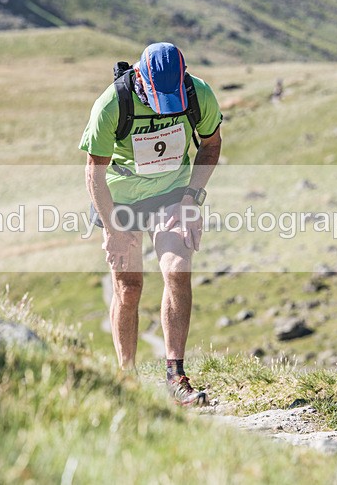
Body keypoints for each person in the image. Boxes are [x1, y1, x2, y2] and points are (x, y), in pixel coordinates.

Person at [79, 42, 223, 406]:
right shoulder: (112, 104)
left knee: (177, 270)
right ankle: (127, 378)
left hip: (171, 192)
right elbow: (94, 172)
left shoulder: (198, 94)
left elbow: (210, 145)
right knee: (128, 288)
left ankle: (175, 377)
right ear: (141, 79)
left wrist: (191, 198)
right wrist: (112, 229)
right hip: (120, 198)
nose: (167, 109)